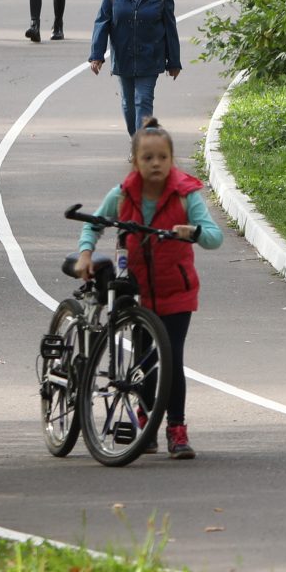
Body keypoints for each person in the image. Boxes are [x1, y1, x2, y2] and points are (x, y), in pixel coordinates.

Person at [75, 117, 223, 459]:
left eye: (162, 158)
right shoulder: (122, 194)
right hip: (136, 295)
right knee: (144, 360)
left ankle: (177, 429)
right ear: (135, 161)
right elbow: (93, 228)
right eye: (148, 158)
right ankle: (146, 422)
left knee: (171, 358)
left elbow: (214, 237)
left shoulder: (187, 195)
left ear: (172, 160)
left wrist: (194, 232)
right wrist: (86, 254)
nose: (155, 164)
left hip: (177, 293)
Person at [87, 0, 183, 135]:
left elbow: (170, 29)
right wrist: (97, 55)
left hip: (150, 57)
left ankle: (141, 145)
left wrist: (174, 61)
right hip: (123, 57)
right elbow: (102, 22)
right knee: (128, 104)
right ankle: (135, 138)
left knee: (143, 100)